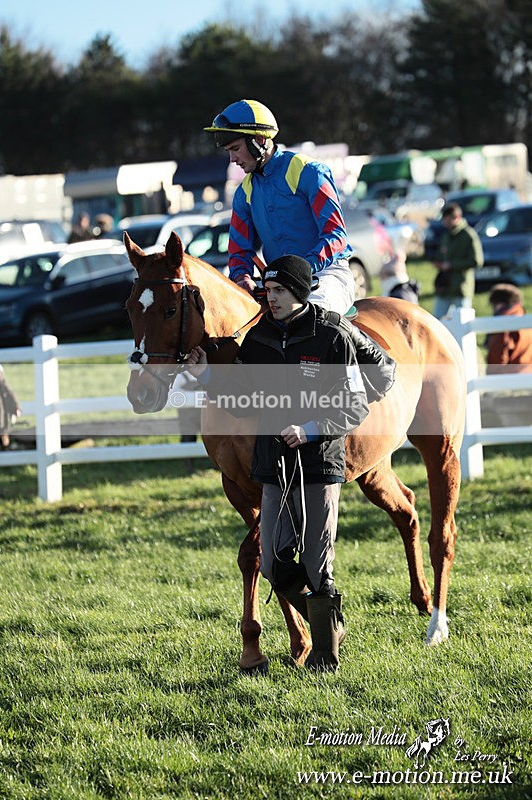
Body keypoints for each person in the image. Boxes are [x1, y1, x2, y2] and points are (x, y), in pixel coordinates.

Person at [187, 255, 370, 671]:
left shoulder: (332, 335)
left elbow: (355, 406)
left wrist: (311, 429)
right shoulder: (259, 339)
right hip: (274, 466)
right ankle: (329, 622)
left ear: (300, 292)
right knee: (272, 561)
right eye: (268, 291)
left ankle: (324, 658)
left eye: (280, 291)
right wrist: (206, 377)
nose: (271, 298)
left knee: (316, 563)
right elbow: (241, 398)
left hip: (318, 464)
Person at [204, 99, 356, 315]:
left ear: (259, 140)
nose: (232, 159)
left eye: (235, 149)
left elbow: (336, 237)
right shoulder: (243, 193)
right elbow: (239, 251)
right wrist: (242, 277)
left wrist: (299, 270)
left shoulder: (310, 172)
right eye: (228, 151)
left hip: (327, 274)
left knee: (307, 319)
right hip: (277, 284)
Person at [432, 202, 483, 319]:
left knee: (463, 320)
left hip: (461, 287)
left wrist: (451, 265)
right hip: (444, 288)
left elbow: (477, 261)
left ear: (456, 218)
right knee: (437, 321)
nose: (445, 223)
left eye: (448, 220)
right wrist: (439, 263)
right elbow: (440, 255)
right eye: (444, 220)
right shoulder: (446, 236)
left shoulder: (469, 235)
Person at [486, 284, 532, 373]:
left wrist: (491, 375)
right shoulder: (525, 320)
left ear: (499, 304)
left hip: (510, 375)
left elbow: (498, 355)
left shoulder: (503, 324)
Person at [0, 364, 21, 450]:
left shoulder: (3, 383)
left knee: (4, 429)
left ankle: (6, 446)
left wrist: (16, 407)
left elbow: (11, 394)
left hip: (2, 412)